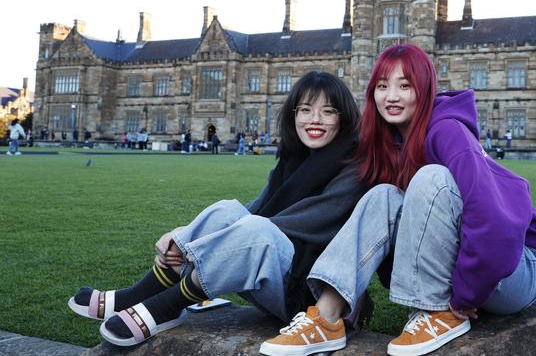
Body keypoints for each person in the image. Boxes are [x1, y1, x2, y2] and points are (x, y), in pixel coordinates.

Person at [273, 44, 536, 356]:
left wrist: (465, 295)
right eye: (382, 86)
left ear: (424, 87)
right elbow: (384, 238)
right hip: (463, 265)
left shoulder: (447, 130)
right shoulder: (387, 143)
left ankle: (438, 313)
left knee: (431, 178)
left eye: (404, 85)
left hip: (515, 268)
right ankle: (326, 318)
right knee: (382, 195)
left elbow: (495, 221)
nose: (391, 96)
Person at [67, 71, 368, 350]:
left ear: (343, 118)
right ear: (293, 115)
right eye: (305, 109)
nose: (315, 119)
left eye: (327, 111)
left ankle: (167, 306)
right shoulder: (293, 160)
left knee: (257, 230)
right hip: (275, 277)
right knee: (228, 210)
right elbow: (250, 210)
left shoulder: (355, 165)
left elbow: (306, 222)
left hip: (312, 297)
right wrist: (183, 233)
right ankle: (142, 292)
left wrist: (211, 241)